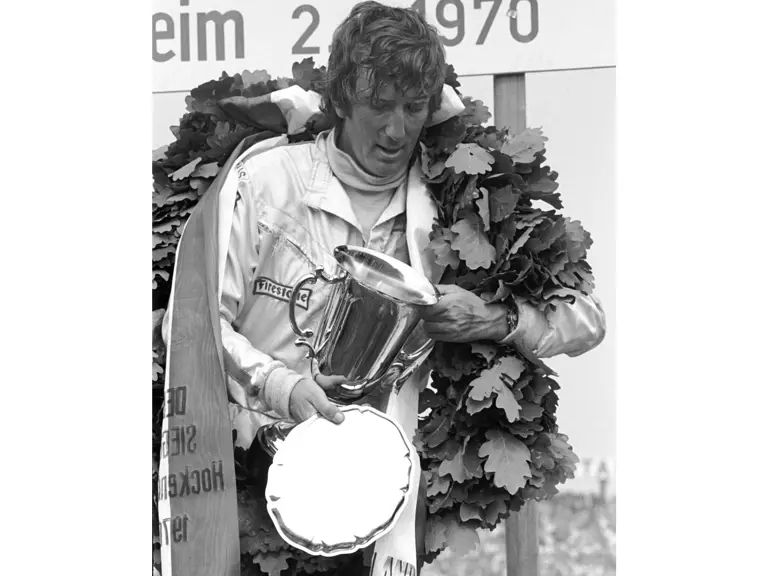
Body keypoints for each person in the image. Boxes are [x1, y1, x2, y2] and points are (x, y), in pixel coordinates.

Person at [166, 0, 605, 572]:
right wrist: (281, 387)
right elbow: (193, 326)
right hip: (253, 491)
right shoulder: (264, 183)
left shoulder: (463, 201)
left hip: (383, 511)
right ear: (343, 97)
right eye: (379, 105)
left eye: (413, 107)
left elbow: (587, 318)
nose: (397, 129)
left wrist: (493, 319)